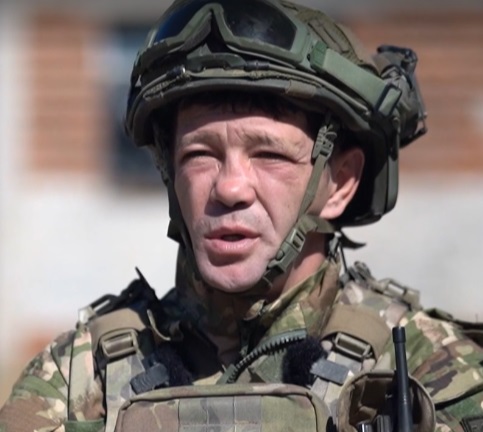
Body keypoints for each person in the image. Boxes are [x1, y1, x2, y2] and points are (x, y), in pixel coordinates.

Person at [1, 0, 483, 431]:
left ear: (339, 182)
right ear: (170, 172)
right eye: (200, 154)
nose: (230, 188)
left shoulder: (434, 375)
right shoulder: (78, 379)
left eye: (269, 155)